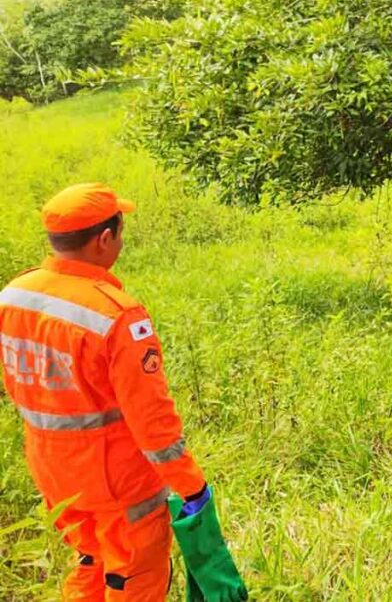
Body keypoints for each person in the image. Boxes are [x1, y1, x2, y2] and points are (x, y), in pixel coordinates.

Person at [0, 183, 244, 601]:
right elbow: (153, 422)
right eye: (121, 232)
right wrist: (191, 487)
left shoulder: (13, 295)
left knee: (91, 563)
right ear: (105, 239)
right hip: (118, 482)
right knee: (133, 577)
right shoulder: (117, 316)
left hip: (53, 471)